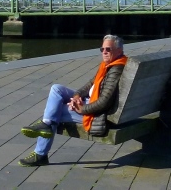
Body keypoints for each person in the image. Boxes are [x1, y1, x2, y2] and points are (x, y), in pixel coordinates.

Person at [18, 34, 128, 167]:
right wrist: (76, 96)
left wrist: (81, 109)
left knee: (54, 111)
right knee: (56, 89)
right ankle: (46, 124)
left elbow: (104, 102)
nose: (104, 52)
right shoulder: (108, 65)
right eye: (102, 49)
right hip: (89, 101)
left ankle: (40, 153)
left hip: (97, 114)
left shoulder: (116, 69)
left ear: (119, 51)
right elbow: (90, 85)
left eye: (108, 49)